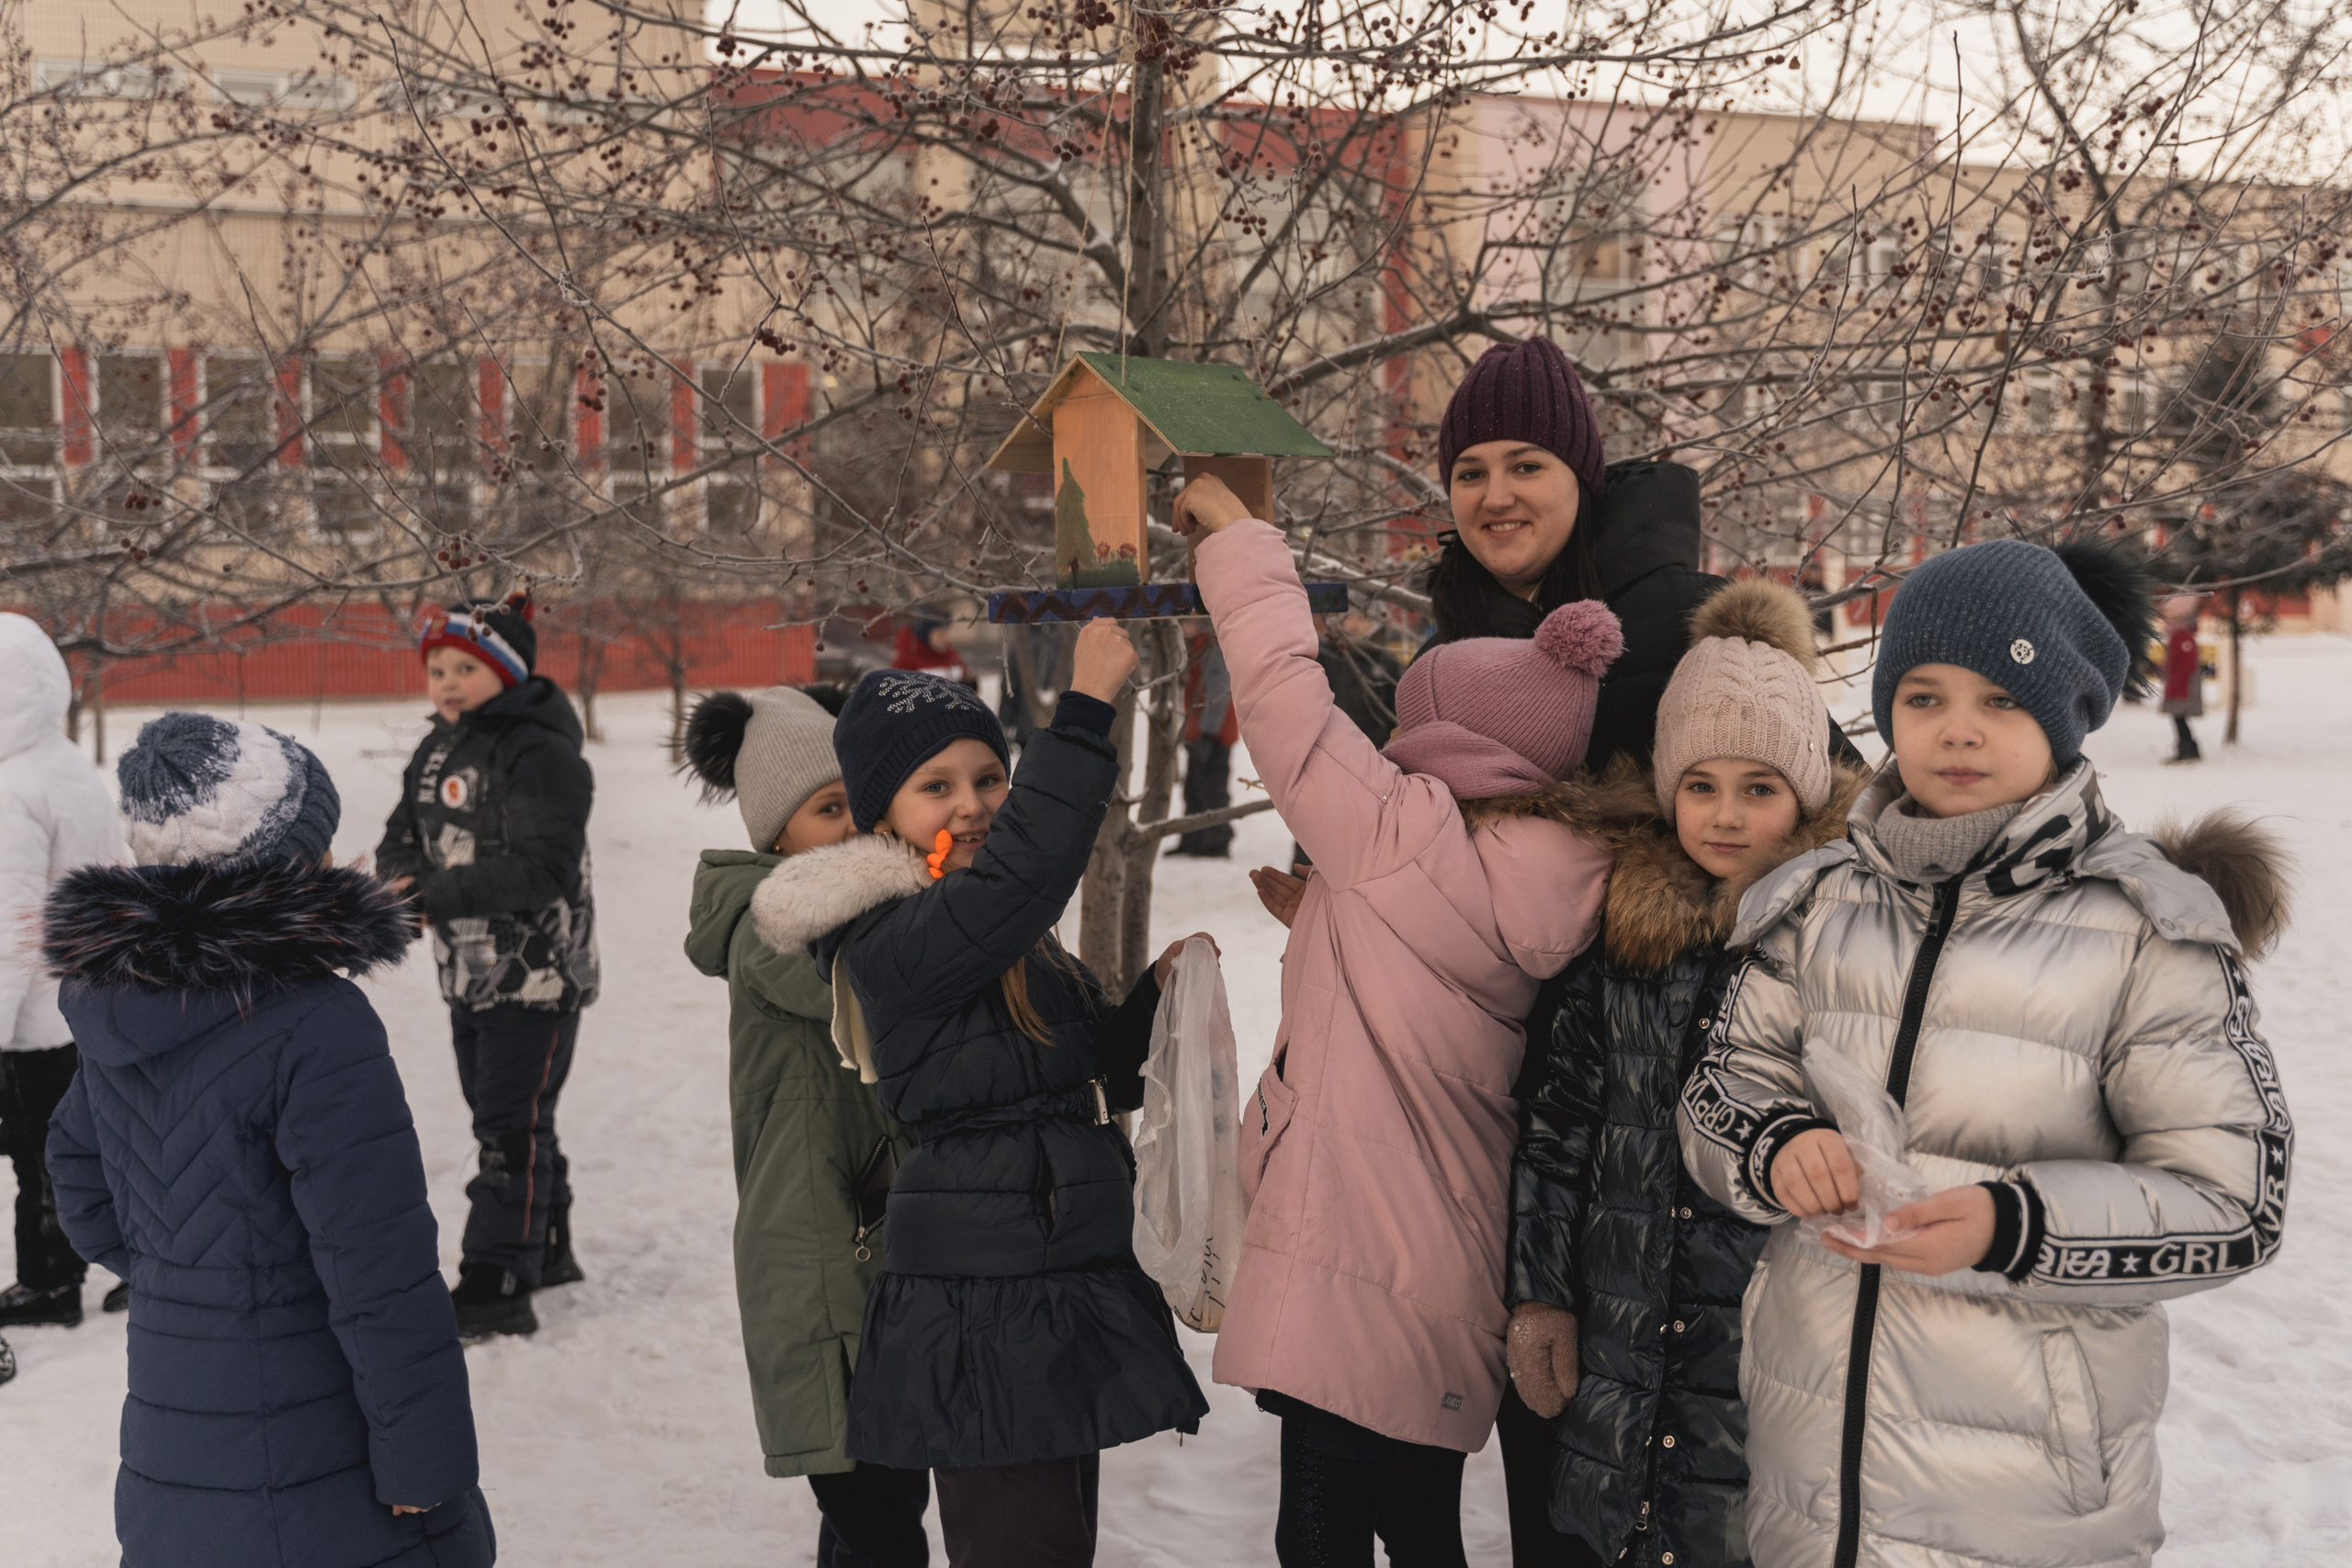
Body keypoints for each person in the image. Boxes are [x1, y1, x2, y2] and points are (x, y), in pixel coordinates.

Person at [1676, 539, 2292, 1568]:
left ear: (2062, 715)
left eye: (2002, 701)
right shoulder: (1815, 899)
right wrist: (1772, 1144)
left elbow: (2235, 1201)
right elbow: (1718, 1090)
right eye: (1922, 697)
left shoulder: (2147, 929)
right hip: (1811, 1474)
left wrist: (2018, 1226)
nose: (1957, 729)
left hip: (2027, 1503)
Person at [1171, 473, 1616, 1568]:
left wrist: (1238, 544)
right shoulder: (1541, 864)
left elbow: (1283, 701)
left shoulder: (1395, 833)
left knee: (1316, 1534)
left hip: (1348, 1245)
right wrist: (1330, 908)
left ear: (1447, 743)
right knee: (1416, 1525)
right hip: (1449, 1247)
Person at [747, 631, 1210, 1568]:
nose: (973, 803)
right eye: (937, 787)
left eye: (989, 777)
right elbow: (1031, 872)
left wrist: (1154, 999)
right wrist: (1079, 712)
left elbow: (1078, 1081)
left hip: (1050, 1278)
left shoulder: (1003, 934)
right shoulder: (888, 937)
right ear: (882, 816)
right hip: (981, 1307)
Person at [43, 714, 494, 1568]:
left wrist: (189, 1275)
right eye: (318, 847)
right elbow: (378, 1267)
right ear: (282, 868)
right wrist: (425, 1459)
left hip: (175, 1447)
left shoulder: (120, 1006)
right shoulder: (318, 1023)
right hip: (320, 1455)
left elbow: (77, 1173)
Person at [1505, 579, 1869, 1568]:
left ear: (1802, 793)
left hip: (1771, 1362)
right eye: (1700, 785)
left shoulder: (1836, 947)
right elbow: (1558, 1128)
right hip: (1620, 1354)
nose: (1723, 814)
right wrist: (1541, 1296)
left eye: (1758, 788)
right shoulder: (1624, 941)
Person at [681, 684, 929, 1568]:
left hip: (874, 1244)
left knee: (888, 1496)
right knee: (874, 1510)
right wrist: (915, 863)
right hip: (814, 1257)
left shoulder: (867, 908)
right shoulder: (765, 922)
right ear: (775, 832)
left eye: (863, 800)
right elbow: (863, 983)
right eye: (830, 809)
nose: (857, 823)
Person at [375, 592, 599, 1338]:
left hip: (536, 977)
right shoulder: (435, 747)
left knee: (509, 1128)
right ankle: (549, 1245)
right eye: (437, 665)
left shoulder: (544, 753)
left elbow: (546, 868)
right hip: (468, 972)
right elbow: (399, 834)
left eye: (464, 666)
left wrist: (435, 894)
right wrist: (401, 880)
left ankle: (497, 1276)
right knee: (508, 1116)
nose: (446, 680)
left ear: (506, 670)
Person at [0, 614, 125, 1343]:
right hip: (91, 999)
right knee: (93, 1142)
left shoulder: (12, 789)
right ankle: (135, 1260)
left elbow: (11, 928)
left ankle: (49, 1278)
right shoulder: (68, 767)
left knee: (40, 1155)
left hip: (34, 1017)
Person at [1171, 626, 1238, 857]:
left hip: (1215, 734)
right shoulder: (1196, 645)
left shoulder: (1213, 646)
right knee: (1193, 789)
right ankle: (1192, 840)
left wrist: (1208, 733)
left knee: (1213, 790)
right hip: (1198, 732)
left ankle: (1217, 842)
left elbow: (1219, 692)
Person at [2160, 593, 2205, 763]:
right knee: (2179, 718)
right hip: (2178, 685)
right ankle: (2187, 750)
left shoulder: (2182, 636)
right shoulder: (2179, 634)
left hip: (2182, 687)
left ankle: (2188, 751)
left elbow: (2185, 665)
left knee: (2179, 718)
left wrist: (2176, 684)